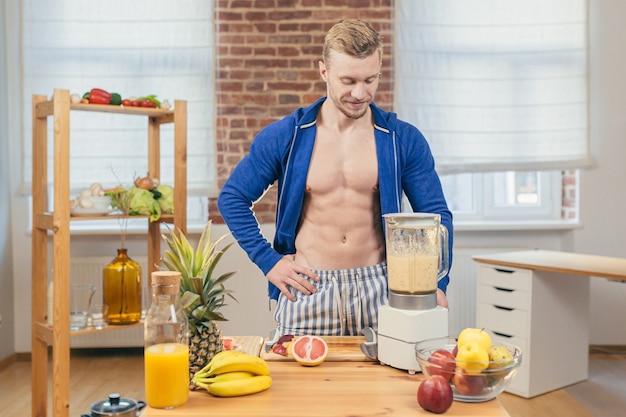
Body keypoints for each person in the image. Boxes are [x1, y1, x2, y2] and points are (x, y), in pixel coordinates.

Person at [217, 19, 453, 336]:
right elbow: (232, 198)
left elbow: (437, 217)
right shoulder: (286, 135)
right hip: (308, 286)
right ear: (324, 71)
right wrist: (269, 262)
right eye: (348, 80)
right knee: (297, 385)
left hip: (381, 287)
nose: (360, 92)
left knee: (387, 385)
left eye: (370, 79)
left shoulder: (402, 138)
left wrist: (436, 284)